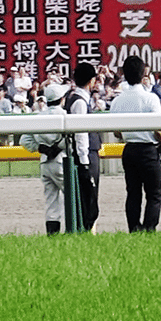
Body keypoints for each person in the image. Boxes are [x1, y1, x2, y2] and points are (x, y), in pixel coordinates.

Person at [108, 55, 161, 232]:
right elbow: (158, 129)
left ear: (124, 74)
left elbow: (116, 132)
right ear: (144, 74)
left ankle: (134, 229)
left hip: (129, 150)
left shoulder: (117, 101)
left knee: (133, 194)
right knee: (154, 194)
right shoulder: (151, 99)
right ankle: (149, 229)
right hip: (148, 150)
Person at [19, 83, 70, 234]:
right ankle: (73, 230)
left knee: (51, 200)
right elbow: (71, 140)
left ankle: (52, 235)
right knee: (72, 196)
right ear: (62, 99)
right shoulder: (64, 115)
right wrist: (57, 147)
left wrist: (42, 148)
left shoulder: (38, 116)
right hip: (61, 161)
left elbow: (24, 140)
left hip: (45, 162)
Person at [64, 62, 102, 231]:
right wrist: (84, 160)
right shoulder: (79, 102)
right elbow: (81, 134)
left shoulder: (76, 98)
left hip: (85, 153)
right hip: (86, 154)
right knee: (89, 194)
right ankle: (87, 229)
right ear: (91, 81)